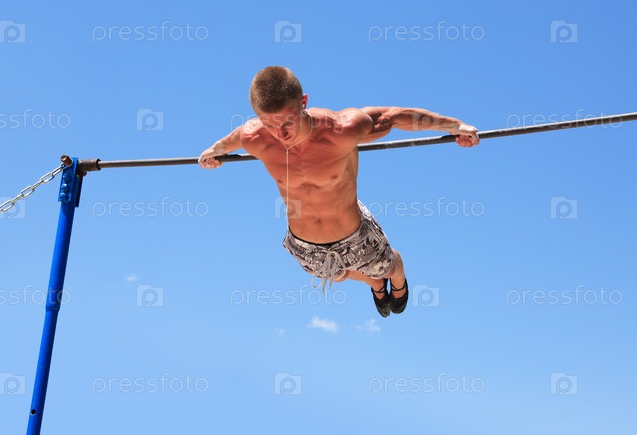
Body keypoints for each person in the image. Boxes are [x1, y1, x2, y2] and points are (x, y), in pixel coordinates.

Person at [199, 66, 480, 317]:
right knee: (337, 274)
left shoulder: (341, 129)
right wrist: (214, 151)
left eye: (287, 122)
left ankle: (396, 280)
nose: (281, 134)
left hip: (356, 237)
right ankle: (374, 283)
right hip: (305, 245)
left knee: (387, 267)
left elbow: (392, 117)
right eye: (270, 124)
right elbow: (232, 140)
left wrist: (455, 126)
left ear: (304, 103)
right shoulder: (254, 136)